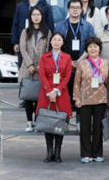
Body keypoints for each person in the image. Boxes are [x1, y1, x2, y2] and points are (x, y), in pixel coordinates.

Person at [37, 33, 73, 163]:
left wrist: (57, 91)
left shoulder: (67, 57)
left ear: (63, 43)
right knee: (48, 121)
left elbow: (67, 75)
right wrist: (49, 91)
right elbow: (42, 74)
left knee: (59, 121)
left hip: (61, 93)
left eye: (59, 40)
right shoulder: (44, 57)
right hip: (47, 92)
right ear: (50, 42)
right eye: (54, 40)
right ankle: (49, 152)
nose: (56, 42)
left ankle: (58, 152)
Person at [73, 37, 109, 163]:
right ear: (86, 49)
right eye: (90, 47)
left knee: (98, 127)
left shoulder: (105, 63)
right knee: (85, 127)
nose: (93, 49)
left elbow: (108, 82)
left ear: (100, 48)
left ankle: (97, 153)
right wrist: (77, 98)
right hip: (85, 99)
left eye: (95, 46)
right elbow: (77, 82)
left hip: (101, 98)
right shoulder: (82, 64)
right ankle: (85, 153)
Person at [55, 0, 97, 106]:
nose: (75, 10)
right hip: (64, 64)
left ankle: (79, 116)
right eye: (72, 7)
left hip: (83, 63)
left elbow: (91, 45)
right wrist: (68, 61)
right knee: (64, 94)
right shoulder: (60, 26)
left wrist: (79, 60)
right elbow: (55, 45)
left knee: (81, 94)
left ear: (81, 9)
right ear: (68, 9)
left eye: (77, 7)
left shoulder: (88, 26)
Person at [19, 6, 50, 132]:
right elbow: (22, 49)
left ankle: (37, 121)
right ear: (30, 17)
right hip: (27, 68)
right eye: (34, 15)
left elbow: (48, 49)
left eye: (38, 14)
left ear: (42, 16)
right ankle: (29, 122)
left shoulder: (47, 32)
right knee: (27, 96)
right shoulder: (25, 31)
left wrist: (41, 64)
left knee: (38, 96)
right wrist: (30, 64)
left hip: (41, 69)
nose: (36, 17)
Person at [12, 0, 54, 69]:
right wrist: (15, 42)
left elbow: (50, 24)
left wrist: (50, 43)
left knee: (41, 68)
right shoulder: (20, 6)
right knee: (24, 67)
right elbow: (15, 25)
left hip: (41, 42)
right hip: (24, 41)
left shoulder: (45, 6)